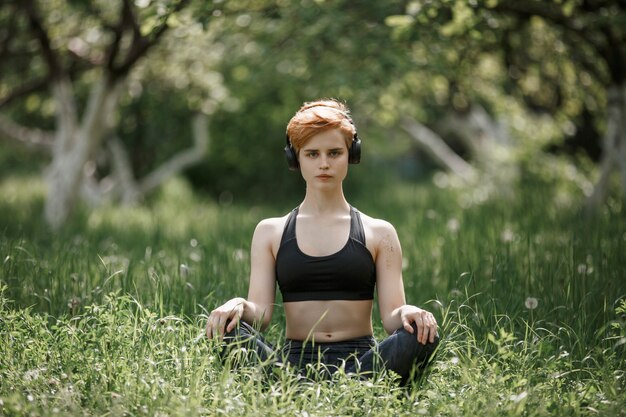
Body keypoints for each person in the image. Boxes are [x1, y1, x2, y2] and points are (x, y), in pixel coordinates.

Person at [206, 99, 439, 385]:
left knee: (421, 333)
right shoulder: (270, 231)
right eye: (312, 154)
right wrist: (238, 304)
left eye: (335, 153)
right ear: (295, 158)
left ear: (351, 155)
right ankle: (312, 391)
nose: (324, 163)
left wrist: (410, 311)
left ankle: (324, 394)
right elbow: (261, 316)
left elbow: (393, 317)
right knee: (226, 328)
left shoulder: (380, 232)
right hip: (292, 363)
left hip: (363, 362)